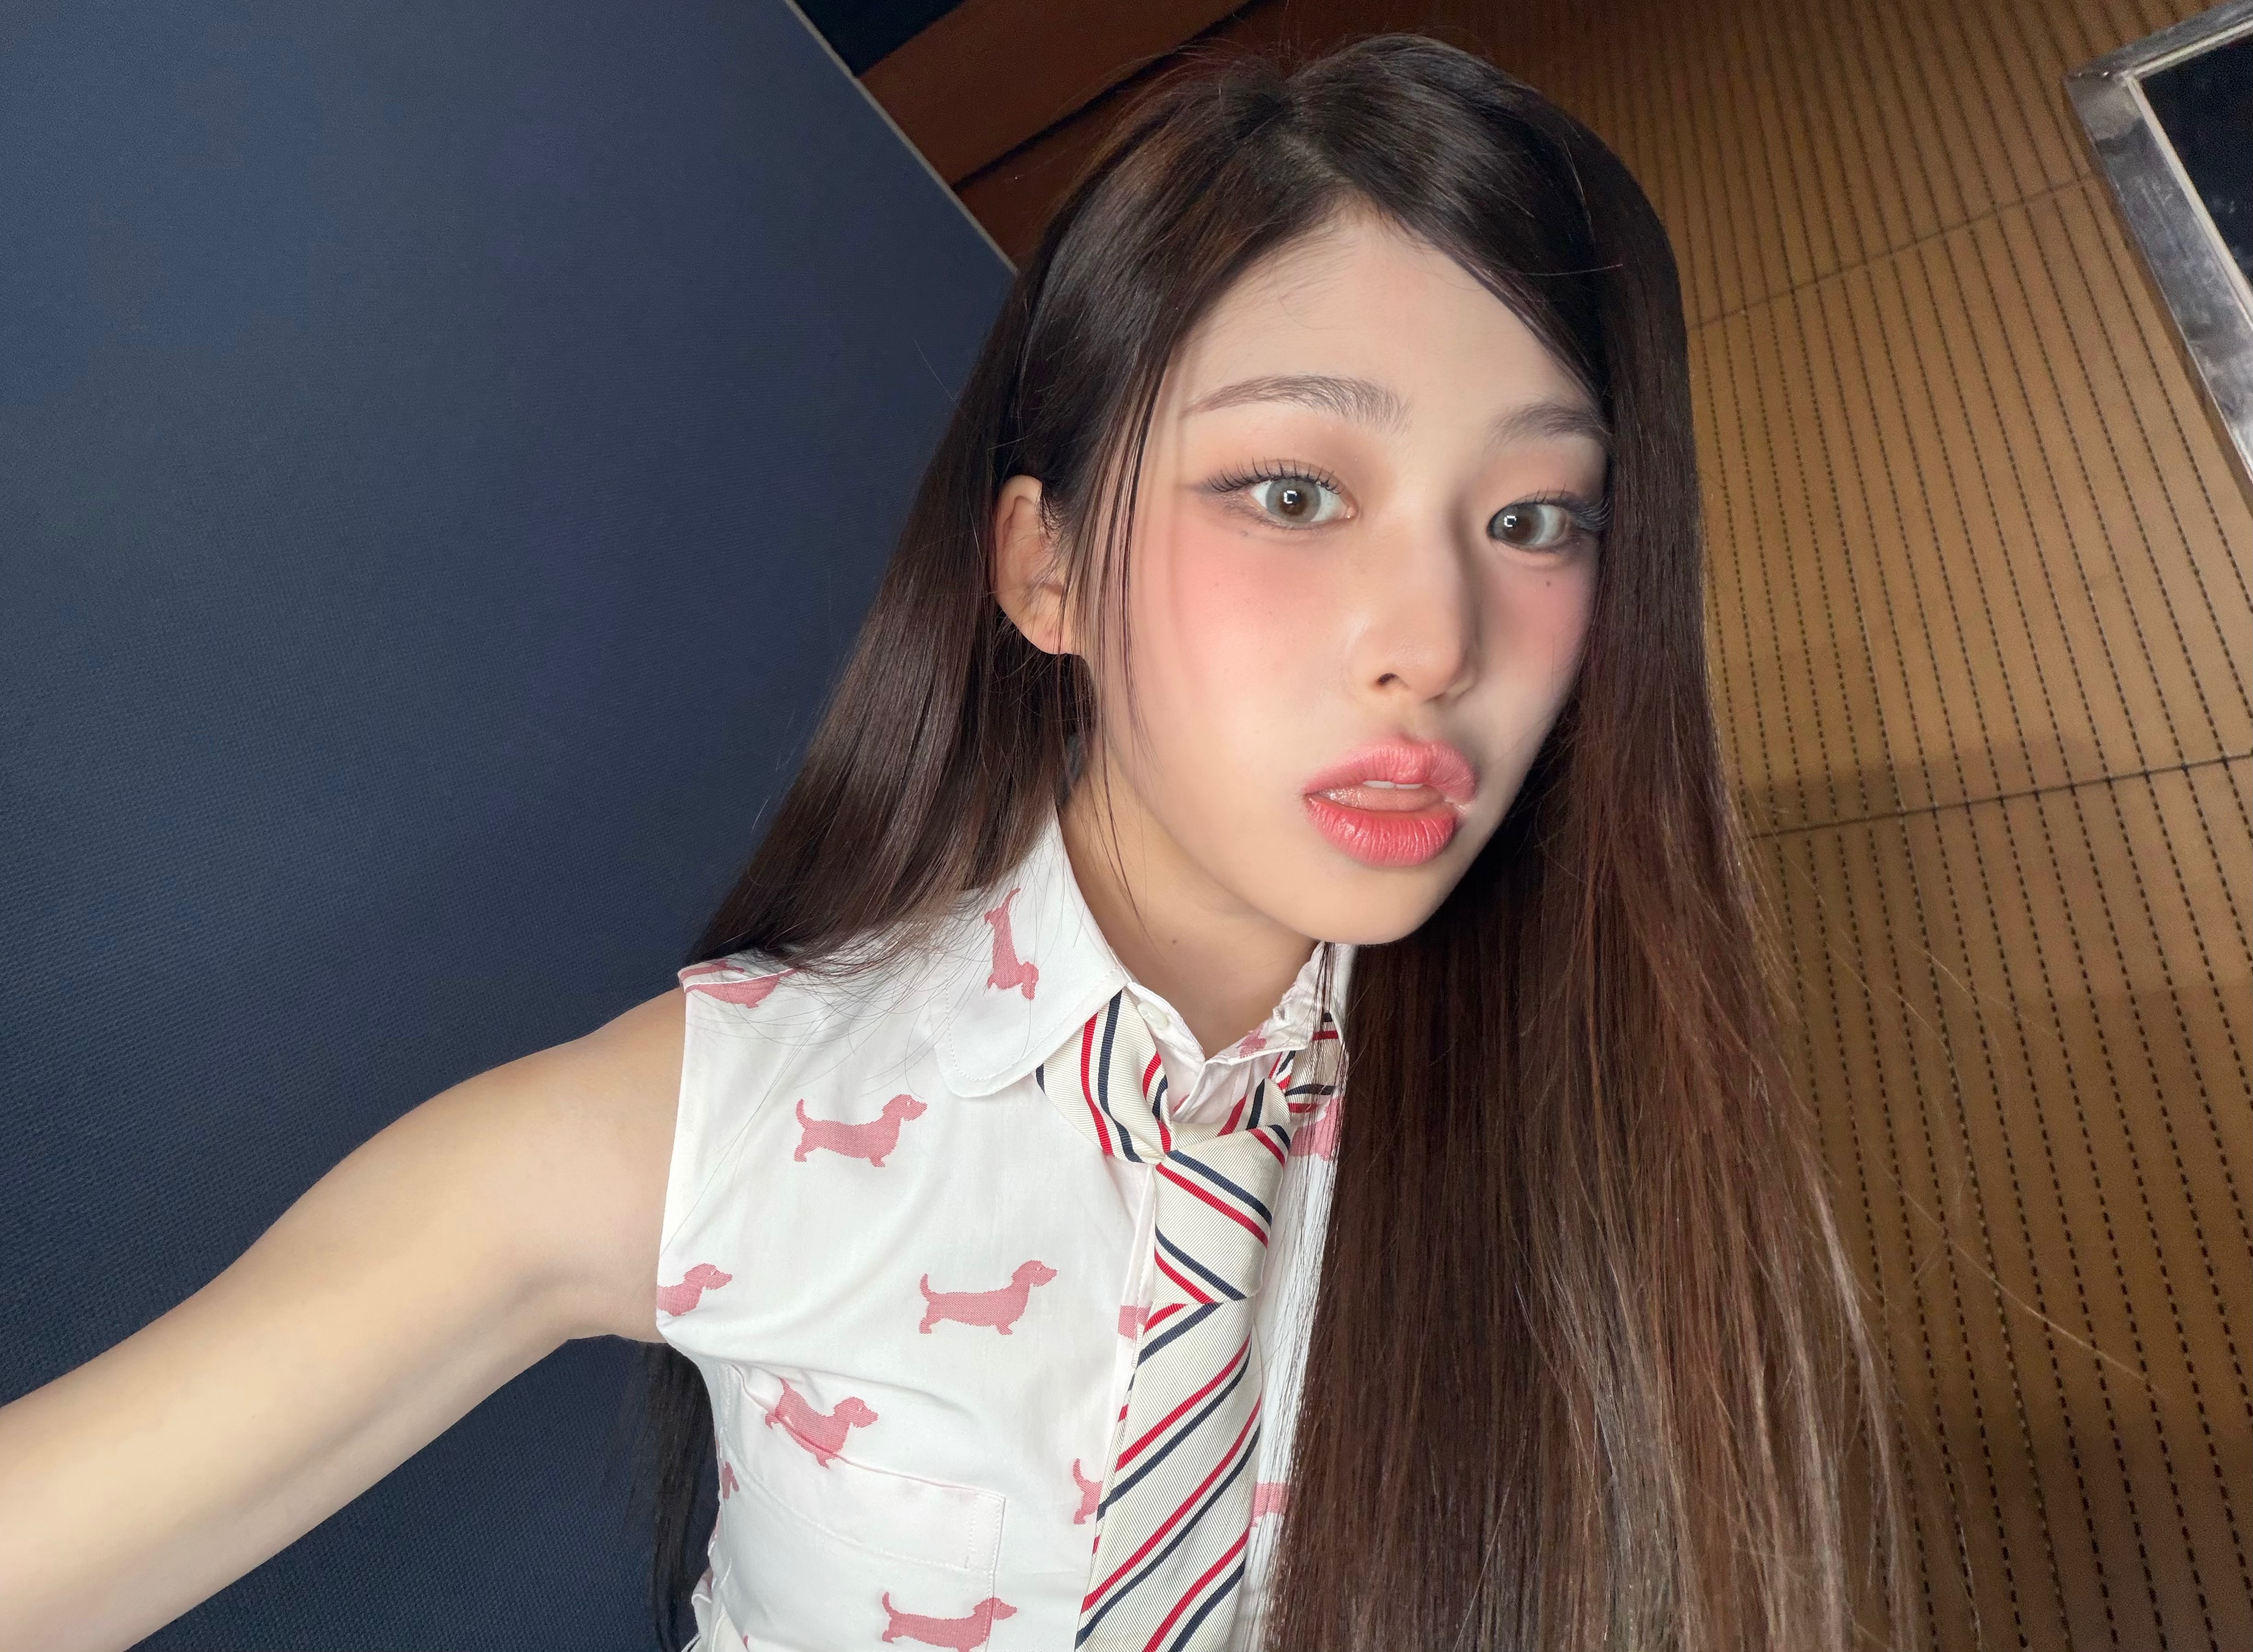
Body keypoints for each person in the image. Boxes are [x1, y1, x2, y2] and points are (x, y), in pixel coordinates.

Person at [0, 32, 1907, 1652]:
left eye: (1540, 519)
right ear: (1044, 567)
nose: (1438, 640)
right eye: (1292, 490)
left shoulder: (1620, 1134)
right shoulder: (731, 1118)